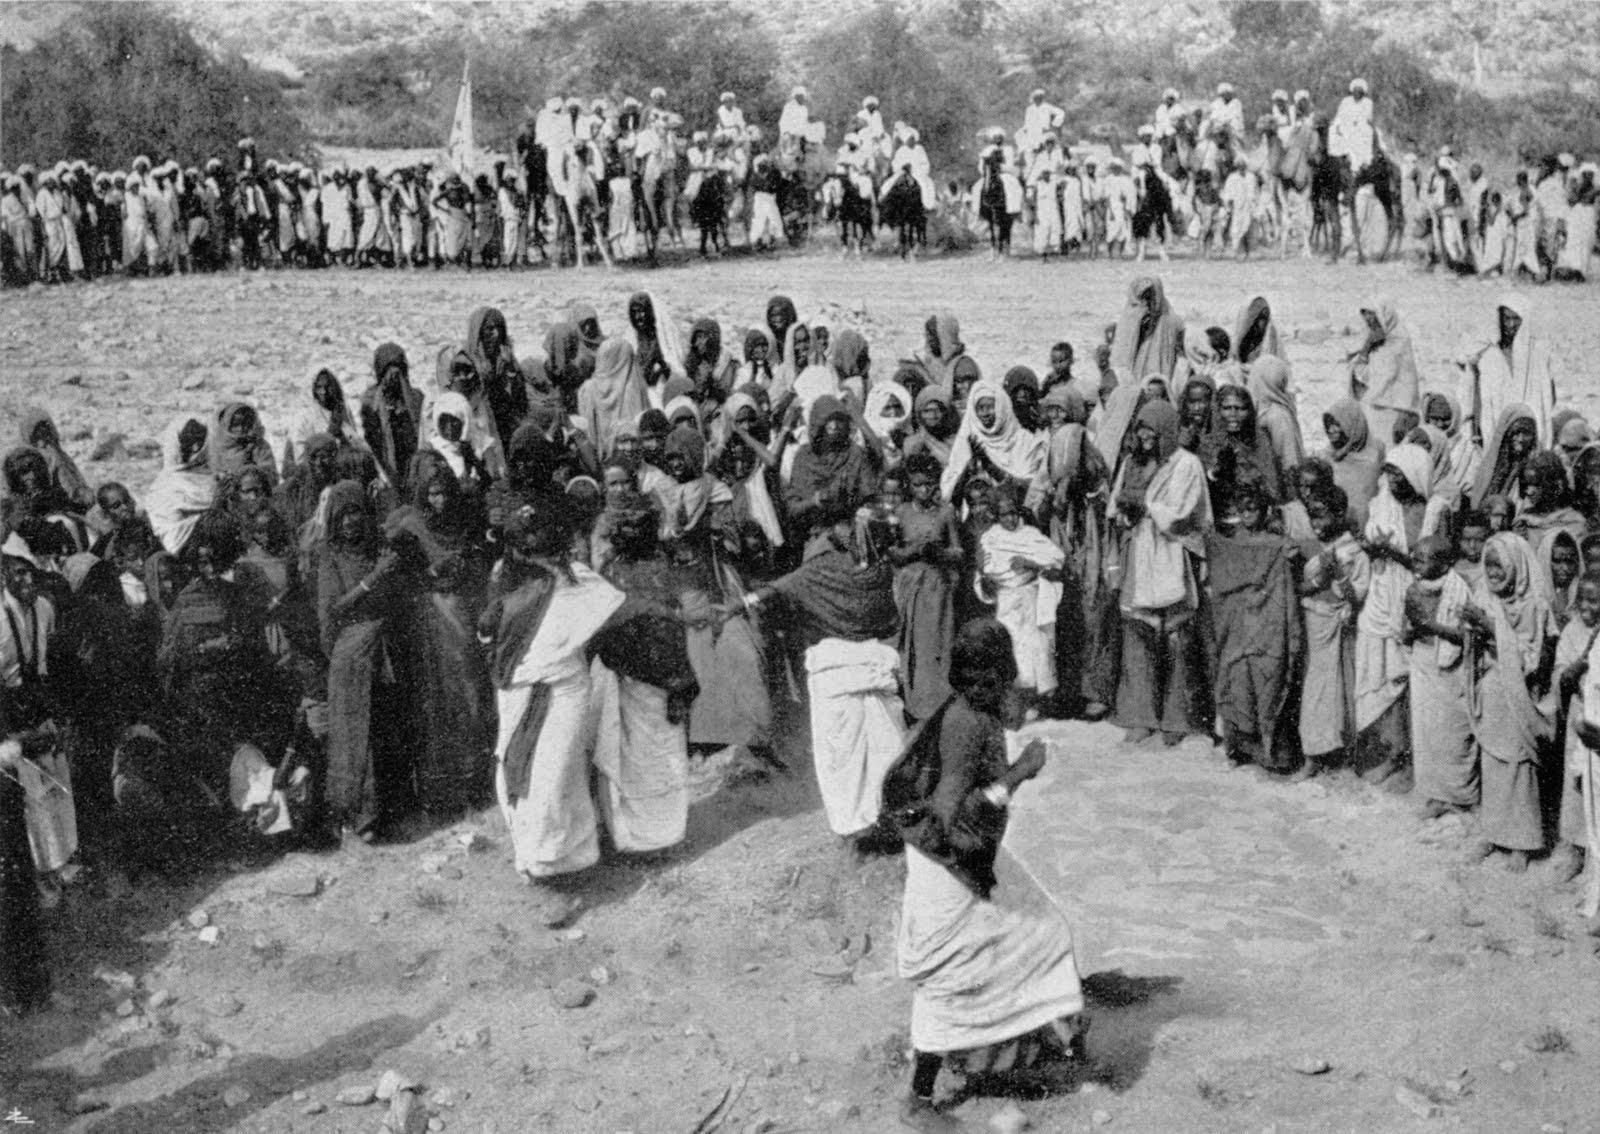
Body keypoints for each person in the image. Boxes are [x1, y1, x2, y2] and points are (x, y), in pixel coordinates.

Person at [882, 619, 1085, 1132]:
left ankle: (1044, 1048)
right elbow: (951, 814)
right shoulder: (965, 724)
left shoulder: (971, 707)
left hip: (965, 855)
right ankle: (919, 1100)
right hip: (947, 861)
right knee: (951, 972)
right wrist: (1019, 774)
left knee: (1042, 931)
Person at [727, 510, 902, 845]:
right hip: (867, 667)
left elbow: (775, 590)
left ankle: (860, 825)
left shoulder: (825, 570)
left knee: (847, 756)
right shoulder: (877, 572)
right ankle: (877, 819)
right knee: (880, 745)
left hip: (842, 671)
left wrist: (738, 606)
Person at [1110, 400, 1211, 745]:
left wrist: (1147, 508)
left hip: (1172, 553)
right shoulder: (1132, 464)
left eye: (1151, 428)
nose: (1145, 435)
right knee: (1138, 631)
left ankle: (1177, 718)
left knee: (1177, 635)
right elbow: (1117, 509)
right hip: (1140, 551)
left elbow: (1184, 512)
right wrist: (1127, 512)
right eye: (1140, 428)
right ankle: (1141, 715)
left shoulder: (1186, 465)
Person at [1353, 444, 1446, 792]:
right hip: (1381, 596)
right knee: (1378, 673)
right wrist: (1373, 548)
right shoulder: (1381, 504)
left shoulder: (1436, 510)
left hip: (1419, 599)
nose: (1391, 480)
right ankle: (1387, 753)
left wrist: (1394, 553)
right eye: (1388, 472)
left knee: (1412, 679)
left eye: (1398, 474)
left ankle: (1410, 758)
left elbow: (1434, 562)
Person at [318, 480, 406, 844]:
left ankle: (387, 810)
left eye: (356, 512)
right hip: (352, 653)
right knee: (357, 736)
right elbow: (334, 608)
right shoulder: (331, 558)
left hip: (382, 649)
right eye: (343, 516)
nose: (351, 521)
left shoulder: (375, 550)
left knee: (385, 726)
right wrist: (373, 580)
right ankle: (358, 815)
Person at [1464, 532, 1555, 872]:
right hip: (1492, 689)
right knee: (1493, 762)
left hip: (1518, 695)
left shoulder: (1533, 604)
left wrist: (1490, 626)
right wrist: (1474, 628)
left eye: (1499, 565)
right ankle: (1494, 832)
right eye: (1488, 565)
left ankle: (1523, 842)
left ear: (1516, 565)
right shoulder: (1483, 595)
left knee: (1519, 764)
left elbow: (1531, 659)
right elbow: (1472, 643)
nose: (1493, 573)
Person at [1295, 482, 1370, 774]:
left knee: (1341, 690)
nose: (1316, 524)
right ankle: (1312, 756)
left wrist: (1338, 573)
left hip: (1340, 627)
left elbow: (1357, 596)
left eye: (1322, 516)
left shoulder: (1355, 552)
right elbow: (1299, 588)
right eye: (1312, 517)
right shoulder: (1309, 548)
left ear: (1340, 515)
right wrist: (1318, 580)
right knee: (1314, 691)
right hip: (1313, 622)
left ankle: (1341, 754)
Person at [1403, 534, 1477, 817]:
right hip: (1423, 663)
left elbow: (1465, 635)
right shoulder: (1415, 588)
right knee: (1426, 732)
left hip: (1451, 670)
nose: (1416, 562)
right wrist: (1412, 630)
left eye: (1423, 558)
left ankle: (1459, 797)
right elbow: (1410, 627)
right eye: (1415, 556)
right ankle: (1435, 795)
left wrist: (1432, 626)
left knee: (1453, 734)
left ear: (1445, 564)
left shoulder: (1460, 589)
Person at [980, 483, 1065, 715]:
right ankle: (1016, 704)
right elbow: (985, 570)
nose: (1010, 519)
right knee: (1013, 649)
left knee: (1038, 648)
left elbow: (1056, 560)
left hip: (1031, 597)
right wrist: (987, 581)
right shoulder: (990, 537)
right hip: (1006, 600)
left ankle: (1038, 704)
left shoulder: (1030, 535)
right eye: (1004, 514)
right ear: (996, 516)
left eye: (1013, 513)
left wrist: (1029, 563)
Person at [892, 452, 962, 722]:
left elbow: (958, 552)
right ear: (909, 486)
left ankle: (939, 703)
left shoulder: (946, 513)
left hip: (936, 587)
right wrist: (913, 550)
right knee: (912, 645)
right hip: (910, 585)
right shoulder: (901, 513)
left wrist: (939, 553)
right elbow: (893, 552)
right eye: (918, 484)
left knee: (937, 643)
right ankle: (914, 705)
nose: (924, 490)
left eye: (929, 484)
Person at [1456, 293, 1556, 447]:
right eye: (1506, 318)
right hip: (1496, 428)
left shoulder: (1538, 355)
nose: (1510, 325)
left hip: (1529, 428)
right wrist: (1475, 431)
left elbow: (1550, 394)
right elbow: (1477, 396)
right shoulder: (1488, 354)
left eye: (1516, 319)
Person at [1349, 297, 1421, 446]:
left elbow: (1408, 383)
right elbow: (1362, 376)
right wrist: (1367, 347)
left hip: (1394, 413)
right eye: (1367, 318)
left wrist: (1404, 413)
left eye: (1374, 318)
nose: (1370, 323)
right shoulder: (1373, 343)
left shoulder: (1400, 342)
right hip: (1370, 409)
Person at [145, 415, 216, 556]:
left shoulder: (215, 480)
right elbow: (171, 541)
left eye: (199, 440)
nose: (195, 448)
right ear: (175, 443)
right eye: (188, 441)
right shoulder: (162, 490)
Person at [360, 343, 423, 493]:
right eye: (388, 369)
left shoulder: (416, 398)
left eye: (398, 369)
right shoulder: (370, 401)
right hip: (384, 468)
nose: (394, 375)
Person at [1321, 398, 1385, 532]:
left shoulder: (1375, 455)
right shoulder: (1326, 457)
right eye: (1328, 424)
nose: (1331, 430)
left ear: (1351, 424)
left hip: (1369, 529)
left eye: (1337, 424)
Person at [1108, 276, 1181, 382]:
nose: (1147, 302)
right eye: (1143, 297)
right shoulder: (1131, 316)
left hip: (1160, 364)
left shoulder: (1169, 317)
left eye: (1150, 297)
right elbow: (1123, 349)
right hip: (1135, 366)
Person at [1330, 78, 1376, 172]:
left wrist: (1357, 122)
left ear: (1363, 92)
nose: (1357, 93)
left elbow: (1367, 117)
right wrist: (1337, 124)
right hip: (1345, 125)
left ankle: (1361, 163)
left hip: (1360, 127)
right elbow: (1339, 115)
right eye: (1356, 90)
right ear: (1352, 91)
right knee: (1333, 129)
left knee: (1365, 132)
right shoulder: (1346, 101)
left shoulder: (1368, 102)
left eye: (1360, 91)